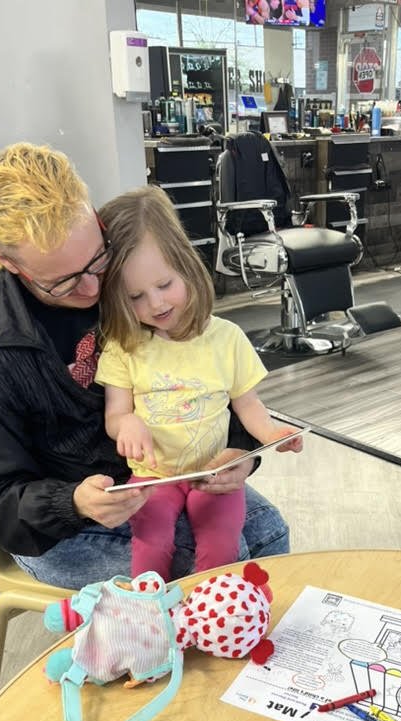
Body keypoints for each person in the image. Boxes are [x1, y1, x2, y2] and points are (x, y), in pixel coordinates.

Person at [0, 143, 290, 590]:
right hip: (62, 526)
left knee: (269, 533)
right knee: (226, 568)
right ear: (6, 261)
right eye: (62, 281)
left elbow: (203, 376)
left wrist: (239, 451)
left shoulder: (122, 274)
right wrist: (73, 502)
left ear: (92, 217)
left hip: (163, 474)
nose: (91, 290)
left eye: (96, 260)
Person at [95, 187, 302, 580]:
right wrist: (128, 424)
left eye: (164, 285)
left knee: (221, 549)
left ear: (188, 268)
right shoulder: (124, 347)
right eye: (135, 296)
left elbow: (247, 404)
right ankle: (148, 610)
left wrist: (273, 435)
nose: (156, 304)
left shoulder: (226, 338)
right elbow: (115, 415)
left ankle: (213, 612)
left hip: (214, 474)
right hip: (153, 477)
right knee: (150, 544)